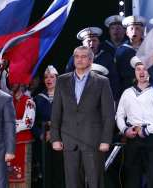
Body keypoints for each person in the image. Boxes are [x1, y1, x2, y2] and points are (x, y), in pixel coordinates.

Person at [50, 46, 115, 188]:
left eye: (84, 56)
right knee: (72, 183)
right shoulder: (62, 81)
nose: (79, 59)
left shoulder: (102, 81)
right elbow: (56, 112)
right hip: (69, 141)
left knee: (95, 182)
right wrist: (55, 138)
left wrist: (106, 140)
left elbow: (108, 114)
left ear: (91, 60)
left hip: (93, 141)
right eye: (77, 56)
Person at [116, 56, 153, 188]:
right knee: (132, 175)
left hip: (150, 137)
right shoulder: (127, 92)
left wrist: (147, 131)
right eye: (138, 69)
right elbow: (119, 115)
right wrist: (124, 130)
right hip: (132, 137)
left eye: (145, 69)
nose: (141, 72)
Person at [65, 27, 121, 101]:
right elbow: (68, 79)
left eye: (94, 40)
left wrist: (112, 98)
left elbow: (114, 79)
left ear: (98, 42)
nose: (91, 43)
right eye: (88, 41)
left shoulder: (106, 57)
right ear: (83, 43)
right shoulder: (75, 58)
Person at [32, 65, 65, 188]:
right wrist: (41, 133)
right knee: (46, 172)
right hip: (44, 140)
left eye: (52, 77)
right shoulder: (38, 99)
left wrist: (55, 132)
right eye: (46, 77)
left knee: (60, 171)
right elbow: (33, 123)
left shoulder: (65, 98)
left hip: (62, 139)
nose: (48, 79)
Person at [8, 83, 35, 188]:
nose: (11, 84)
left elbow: (28, 123)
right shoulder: (8, 101)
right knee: (9, 175)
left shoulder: (29, 101)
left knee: (22, 175)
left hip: (23, 143)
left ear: (19, 83)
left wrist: (11, 125)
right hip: (9, 144)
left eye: (14, 81)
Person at [115, 15, 146, 93]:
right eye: (131, 29)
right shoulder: (121, 50)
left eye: (137, 29)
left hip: (148, 88)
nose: (134, 31)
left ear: (142, 31)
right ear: (127, 32)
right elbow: (117, 73)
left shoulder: (149, 47)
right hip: (128, 89)